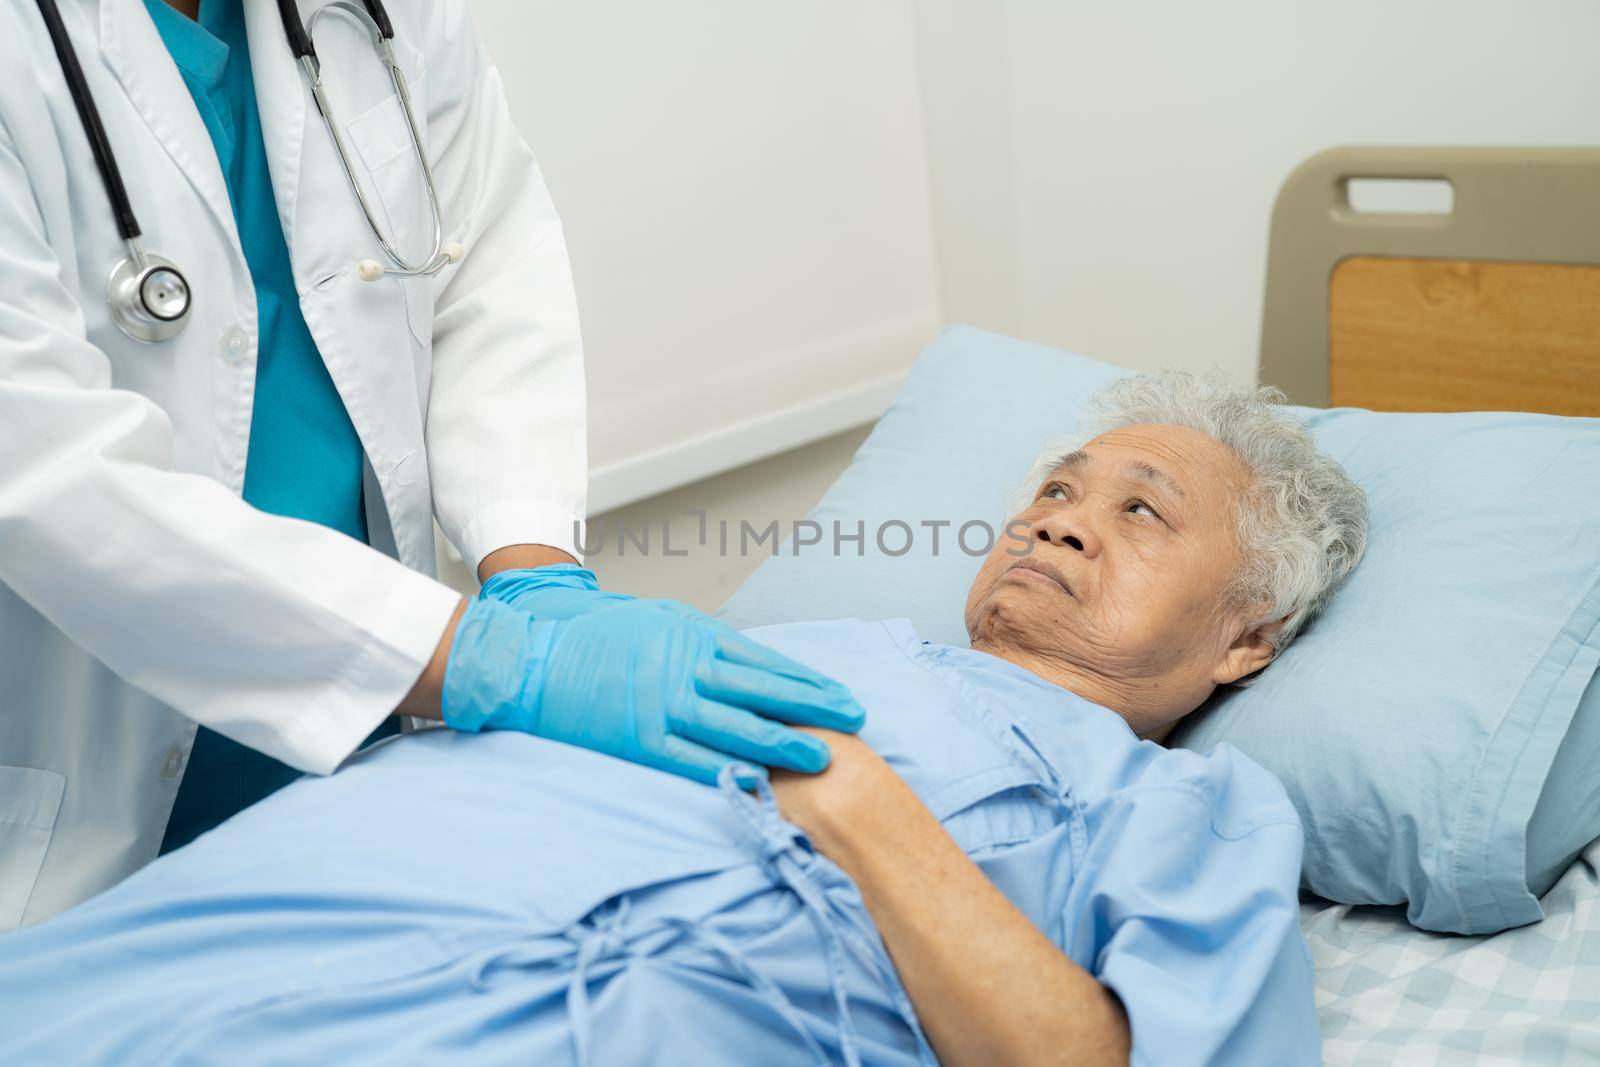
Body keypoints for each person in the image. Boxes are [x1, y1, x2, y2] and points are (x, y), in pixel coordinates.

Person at [0, 372, 1368, 1066]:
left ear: (1247, 635)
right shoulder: (774, 642)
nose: (1059, 511)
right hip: (290, 895)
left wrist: (858, 799)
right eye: (1056, 486)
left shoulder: (1181, 804)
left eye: (1142, 509)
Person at [0, 0, 863, 930]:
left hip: (371, 757)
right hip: (83, 799)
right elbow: (53, 476)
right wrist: (492, 662)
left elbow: (484, 251)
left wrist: (533, 571)